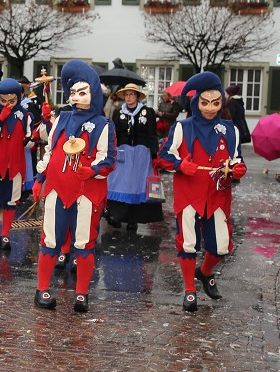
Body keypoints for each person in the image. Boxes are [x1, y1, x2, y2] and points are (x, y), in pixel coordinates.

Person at [31, 61, 116, 313]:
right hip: (57, 188)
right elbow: (50, 150)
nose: (76, 97)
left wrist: (93, 171)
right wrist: (40, 178)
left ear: (94, 94)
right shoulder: (61, 119)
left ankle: (81, 294)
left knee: (84, 242)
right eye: (73, 92)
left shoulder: (104, 124)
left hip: (87, 192)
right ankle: (42, 289)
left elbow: (109, 159)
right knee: (50, 239)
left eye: (83, 92)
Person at [158, 72, 246, 312]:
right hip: (189, 193)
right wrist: (179, 165)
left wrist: (238, 170)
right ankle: (189, 290)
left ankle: (205, 271)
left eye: (215, 103)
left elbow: (237, 160)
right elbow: (164, 156)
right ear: (196, 102)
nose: (210, 108)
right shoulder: (182, 127)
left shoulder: (230, 130)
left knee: (221, 246)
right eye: (204, 102)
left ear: (222, 103)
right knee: (188, 243)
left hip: (218, 195)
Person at [0, 78, 32, 250]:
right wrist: (1, 118)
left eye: (11, 101)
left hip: (16, 164)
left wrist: (47, 122)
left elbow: (29, 140)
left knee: (12, 200)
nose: (8, 104)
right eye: (3, 101)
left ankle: (5, 235)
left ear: (18, 97)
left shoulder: (25, 115)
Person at [105, 83, 163, 231]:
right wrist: (111, 151)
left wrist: (155, 155)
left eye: (131, 94)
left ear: (137, 96)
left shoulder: (147, 112)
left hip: (141, 155)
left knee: (137, 185)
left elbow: (152, 134)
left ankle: (133, 220)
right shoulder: (118, 112)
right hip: (123, 154)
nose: (128, 97)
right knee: (119, 183)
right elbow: (114, 134)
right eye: (126, 95)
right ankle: (116, 216)